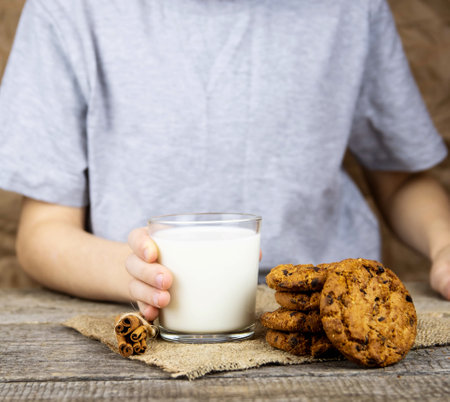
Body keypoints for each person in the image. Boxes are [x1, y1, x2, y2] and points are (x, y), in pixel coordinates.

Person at [0, 0, 449, 321]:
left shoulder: (352, 10)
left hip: (325, 310)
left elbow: (401, 179)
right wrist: (134, 274)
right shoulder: (68, 10)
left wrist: (443, 243)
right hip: (149, 316)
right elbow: (43, 234)